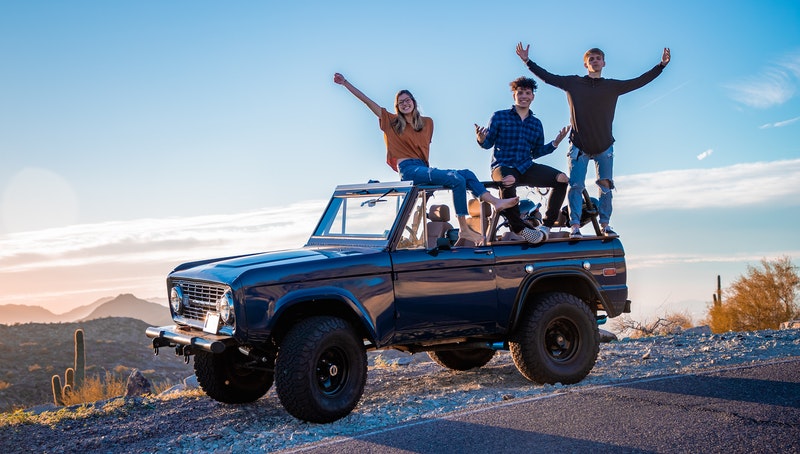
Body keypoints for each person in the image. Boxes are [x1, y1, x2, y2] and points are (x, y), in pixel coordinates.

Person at [333, 72, 518, 245]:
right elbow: (367, 102)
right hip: (408, 169)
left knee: (466, 174)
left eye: (407, 100)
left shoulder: (427, 123)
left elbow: (423, 149)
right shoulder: (392, 122)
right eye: (400, 102)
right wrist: (345, 83)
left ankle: (495, 202)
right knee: (455, 178)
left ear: (413, 101)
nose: (405, 104)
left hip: (422, 168)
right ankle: (464, 229)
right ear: (397, 107)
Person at [516, 42, 671, 238]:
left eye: (598, 58)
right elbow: (548, 78)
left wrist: (661, 66)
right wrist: (527, 61)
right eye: (591, 59)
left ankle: (605, 225)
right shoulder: (573, 83)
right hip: (579, 146)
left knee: (606, 186)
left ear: (604, 63)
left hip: (604, 146)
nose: (595, 61)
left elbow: (638, 81)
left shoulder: (612, 86)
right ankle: (575, 227)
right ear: (585, 65)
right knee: (576, 186)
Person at [475, 76, 570, 244]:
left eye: (528, 93)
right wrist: (481, 138)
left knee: (562, 179)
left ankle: (546, 226)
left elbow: (537, 152)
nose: (524, 96)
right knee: (509, 180)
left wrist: (555, 143)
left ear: (533, 96)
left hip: (526, 166)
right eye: (520, 93)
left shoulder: (536, 123)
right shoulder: (499, 116)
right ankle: (519, 228)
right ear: (514, 95)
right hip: (503, 166)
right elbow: (487, 144)